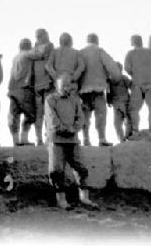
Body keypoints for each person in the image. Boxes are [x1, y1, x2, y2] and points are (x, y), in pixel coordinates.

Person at [45, 73, 97, 209]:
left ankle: (84, 198)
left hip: (73, 141)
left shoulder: (75, 101)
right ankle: (61, 200)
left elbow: (80, 118)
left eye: (69, 85)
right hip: (56, 141)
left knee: (81, 168)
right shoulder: (50, 100)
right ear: (57, 86)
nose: (67, 88)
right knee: (57, 171)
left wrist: (74, 129)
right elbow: (52, 120)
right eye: (64, 86)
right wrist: (66, 129)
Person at [79, 33, 121, 146]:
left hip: (83, 90)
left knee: (85, 115)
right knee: (100, 114)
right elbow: (113, 69)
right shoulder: (100, 51)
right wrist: (115, 80)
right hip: (98, 88)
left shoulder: (80, 53)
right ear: (97, 41)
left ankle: (85, 139)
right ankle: (102, 138)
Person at [7, 38, 46, 146]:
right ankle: (23, 139)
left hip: (13, 89)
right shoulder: (27, 54)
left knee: (14, 115)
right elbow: (40, 55)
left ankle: (15, 140)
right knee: (30, 115)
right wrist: (38, 46)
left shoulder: (16, 57)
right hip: (24, 88)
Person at [124, 34, 151, 133]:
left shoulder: (130, 54)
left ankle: (135, 129)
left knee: (134, 109)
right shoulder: (150, 52)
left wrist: (134, 74)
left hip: (137, 84)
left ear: (133, 42)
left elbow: (126, 68)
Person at [32, 29, 55, 146]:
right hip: (47, 82)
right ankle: (48, 137)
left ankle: (38, 138)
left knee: (38, 113)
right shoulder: (50, 47)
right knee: (49, 112)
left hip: (36, 84)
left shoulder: (33, 50)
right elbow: (49, 65)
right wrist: (55, 79)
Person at [107, 62, 132, 143]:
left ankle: (127, 136)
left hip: (124, 101)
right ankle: (123, 139)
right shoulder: (110, 81)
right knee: (118, 123)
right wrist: (109, 100)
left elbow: (131, 86)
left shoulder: (123, 78)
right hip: (117, 103)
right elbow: (108, 92)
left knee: (127, 120)